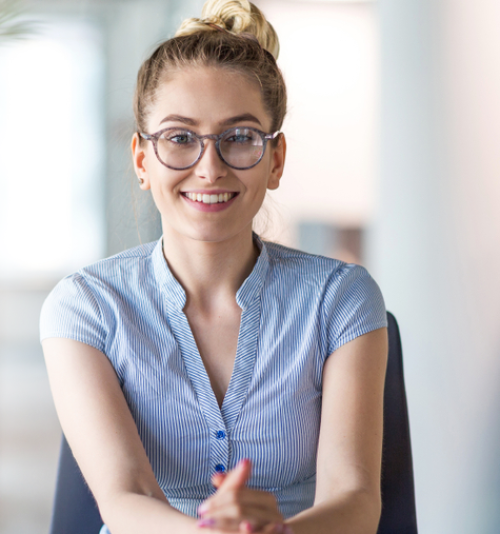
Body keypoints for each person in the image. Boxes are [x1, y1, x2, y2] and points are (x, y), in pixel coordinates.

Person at [40, 1, 388, 533]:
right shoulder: (84, 306)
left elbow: (355, 499)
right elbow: (125, 496)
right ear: (141, 160)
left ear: (275, 160)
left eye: (240, 137)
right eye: (180, 138)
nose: (209, 167)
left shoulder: (339, 297)